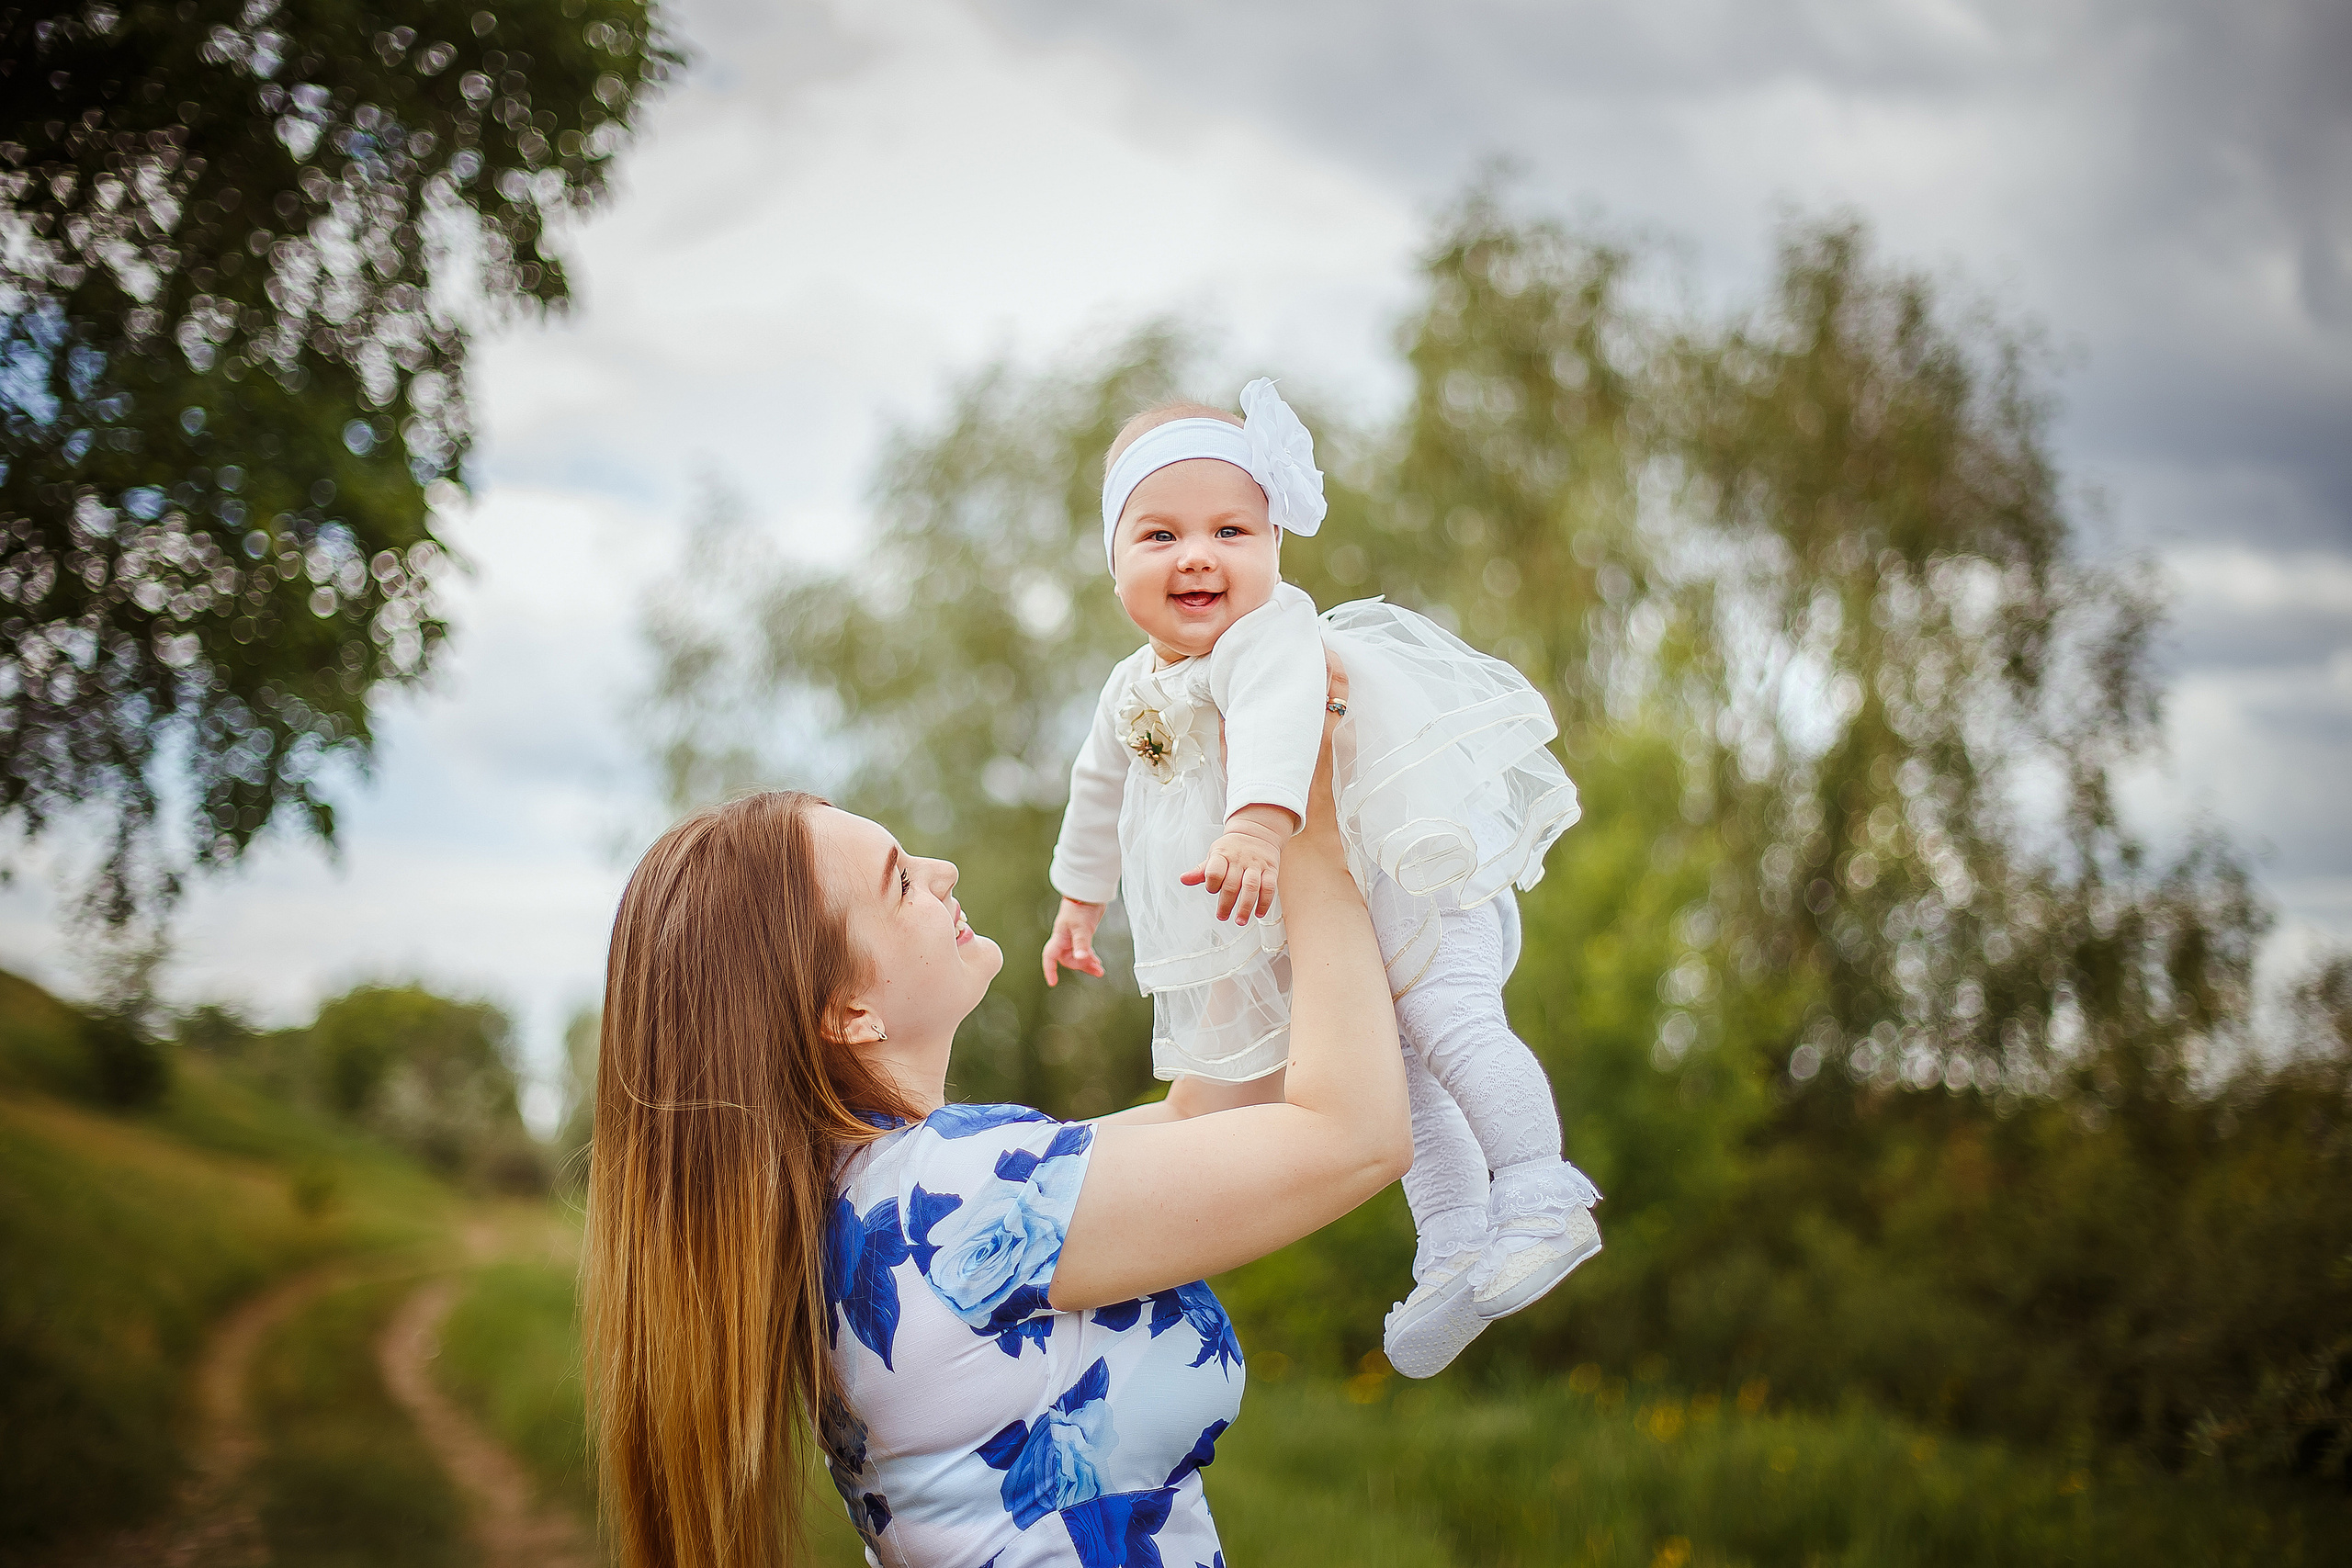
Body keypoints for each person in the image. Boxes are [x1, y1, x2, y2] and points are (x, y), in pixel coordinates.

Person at [583, 672, 1411, 1568]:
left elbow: (1203, 1107)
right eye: (899, 881)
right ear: (847, 1011)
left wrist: (1232, 828)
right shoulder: (959, 1190)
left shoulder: (868, 1201)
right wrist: (1311, 825)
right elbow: (1353, 1136)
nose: (941, 873)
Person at [1040, 379, 1602, 1379]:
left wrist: (1257, 827)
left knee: (1452, 1028)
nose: (1199, 554)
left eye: (1231, 529)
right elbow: (1097, 789)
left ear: (1274, 546)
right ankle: (1452, 1247)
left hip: (1413, 886)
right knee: (1401, 1083)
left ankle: (1538, 1188)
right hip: (1339, 927)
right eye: (1159, 535)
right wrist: (1079, 899)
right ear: (1113, 562)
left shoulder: (1274, 635)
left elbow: (1277, 717)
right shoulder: (1133, 686)